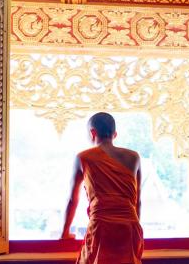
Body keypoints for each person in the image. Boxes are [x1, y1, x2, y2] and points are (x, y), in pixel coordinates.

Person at [61, 112, 144, 264]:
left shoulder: (83, 157)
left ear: (92, 133)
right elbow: (138, 201)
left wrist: (65, 233)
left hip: (102, 227)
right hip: (130, 227)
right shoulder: (134, 157)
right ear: (115, 134)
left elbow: (73, 200)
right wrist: (134, 227)